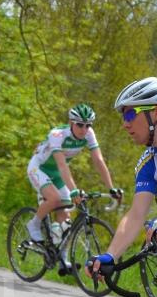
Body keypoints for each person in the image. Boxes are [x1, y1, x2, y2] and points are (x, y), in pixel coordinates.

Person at [88, 78, 157, 276]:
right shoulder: (149, 163)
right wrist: (110, 256)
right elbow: (136, 214)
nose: (125, 124)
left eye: (130, 114)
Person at [25, 103, 121, 245]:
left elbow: (99, 161)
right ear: (71, 122)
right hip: (39, 168)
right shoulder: (57, 135)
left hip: (57, 174)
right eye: (80, 124)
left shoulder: (89, 134)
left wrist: (111, 188)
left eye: (88, 125)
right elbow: (62, 165)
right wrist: (74, 190)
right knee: (55, 198)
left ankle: (61, 258)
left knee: (66, 219)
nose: (84, 129)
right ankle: (34, 224)